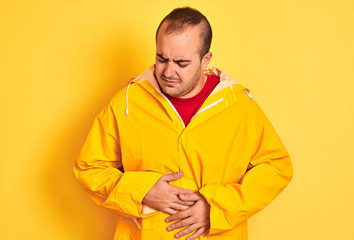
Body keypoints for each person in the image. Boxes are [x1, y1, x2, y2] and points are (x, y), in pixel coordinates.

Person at [74, 7, 293, 240]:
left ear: (205, 60)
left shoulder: (238, 106)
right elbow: (89, 168)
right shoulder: (127, 102)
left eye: (181, 63)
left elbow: (277, 168)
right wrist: (143, 191)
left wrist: (216, 208)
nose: (168, 71)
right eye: (161, 59)